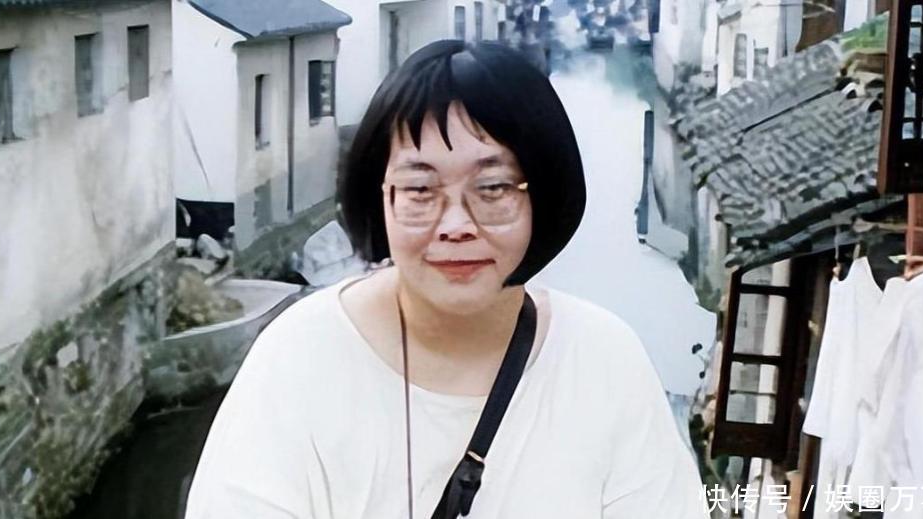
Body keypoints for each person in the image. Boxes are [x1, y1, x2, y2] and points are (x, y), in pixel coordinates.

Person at [185, 40, 708, 518]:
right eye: (420, 190)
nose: (456, 225)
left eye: (493, 187)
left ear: (542, 196)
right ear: (381, 198)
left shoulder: (604, 362)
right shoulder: (298, 360)